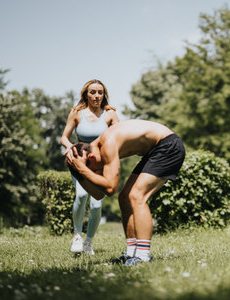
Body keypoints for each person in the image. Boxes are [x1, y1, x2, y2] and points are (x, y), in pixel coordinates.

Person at [65, 119, 185, 265]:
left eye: (92, 169)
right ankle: (130, 254)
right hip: (154, 151)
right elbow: (98, 194)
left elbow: (110, 188)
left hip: (168, 146)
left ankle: (143, 255)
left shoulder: (108, 143)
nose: (96, 172)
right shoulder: (97, 150)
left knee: (136, 196)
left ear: (90, 158)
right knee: (124, 197)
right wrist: (79, 173)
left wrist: (83, 169)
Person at [61, 79, 119, 255]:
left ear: (104, 95)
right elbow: (64, 137)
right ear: (86, 94)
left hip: (101, 164)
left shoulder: (110, 115)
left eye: (100, 92)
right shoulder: (77, 113)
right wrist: (70, 149)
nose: (96, 96)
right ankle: (77, 236)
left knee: (96, 206)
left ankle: (88, 243)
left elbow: (118, 137)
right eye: (92, 92)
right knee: (81, 194)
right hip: (80, 161)